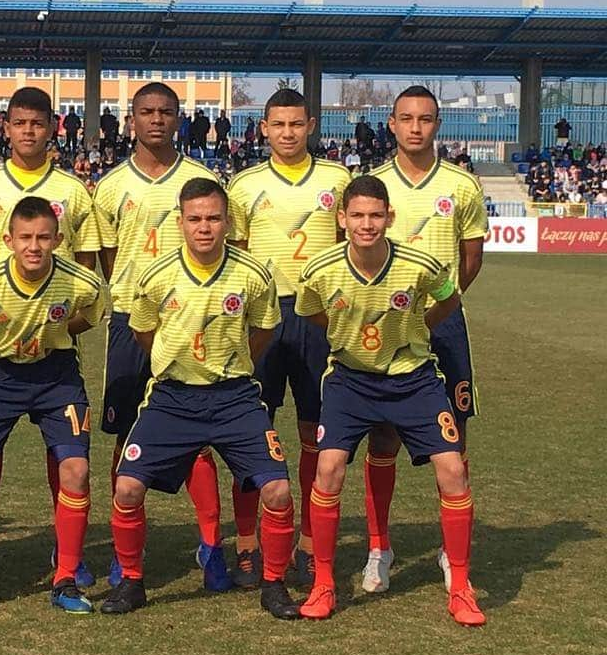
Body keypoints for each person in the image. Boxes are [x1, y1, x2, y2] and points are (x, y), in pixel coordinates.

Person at [100, 177, 298, 618]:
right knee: (128, 487)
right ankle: (131, 582)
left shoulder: (252, 275)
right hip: (171, 399)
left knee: (279, 490)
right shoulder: (155, 275)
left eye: (213, 218)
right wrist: (178, 364)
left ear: (227, 222)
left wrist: (229, 365)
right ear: (180, 222)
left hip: (235, 399)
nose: (204, 227)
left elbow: (263, 330)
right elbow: (142, 331)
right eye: (195, 218)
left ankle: (274, 584)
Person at [294, 174, 484, 627]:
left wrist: (418, 328)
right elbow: (311, 312)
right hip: (350, 381)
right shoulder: (320, 269)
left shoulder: (421, 264)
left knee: (453, 468)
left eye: (375, 215)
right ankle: (323, 583)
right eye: (357, 215)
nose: (366, 224)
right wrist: (350, 341)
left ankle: (460, 585)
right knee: (328, 467)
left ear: (389, 217)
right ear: (341, 219)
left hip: (413, 380)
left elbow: (449, 298)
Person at [0, 86, 102, 589]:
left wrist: (55, 324)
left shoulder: (75, 192)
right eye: (19, 123)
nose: (29, 131)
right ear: (7, 127)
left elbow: (85, 276)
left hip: (54, 349)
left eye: (38, 123)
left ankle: (68, 554)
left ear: (53, 127)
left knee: (66, 456)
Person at [93, 82, 230, 591]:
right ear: (131, 119)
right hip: (132, 319)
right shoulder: (109, 186)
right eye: (146, 112)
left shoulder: (200, 179)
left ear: (179, 119)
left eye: (165, 112)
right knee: (126, 436)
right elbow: (107, 257)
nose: (156, 120)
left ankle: (212, 545)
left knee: (201, 437)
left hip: (192, 321)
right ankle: (126, 548)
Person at [226, 88, 350, 589]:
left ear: (312, 125)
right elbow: (233, 255)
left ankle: (305, 544)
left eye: (296, 124)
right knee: (249, 430)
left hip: (317, 315)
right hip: (264, 316)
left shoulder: (337, 180)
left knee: (315, 433)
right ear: (263, 128)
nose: (287, 133)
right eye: (278, 125)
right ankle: (247, 544)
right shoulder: (243, 184)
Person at [367, 86, 487, 594]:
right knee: (382, 436)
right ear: (391, 124)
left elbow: (471, 260)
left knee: (454, 441)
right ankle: (379, 548)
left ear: (438, 125)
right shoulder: (371, 186)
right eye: (407, 119)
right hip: (385, 328)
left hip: (442, 324)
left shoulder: (461, 185)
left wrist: (438, 310)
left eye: (426, 119)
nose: (416, 128)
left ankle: (449, 549)